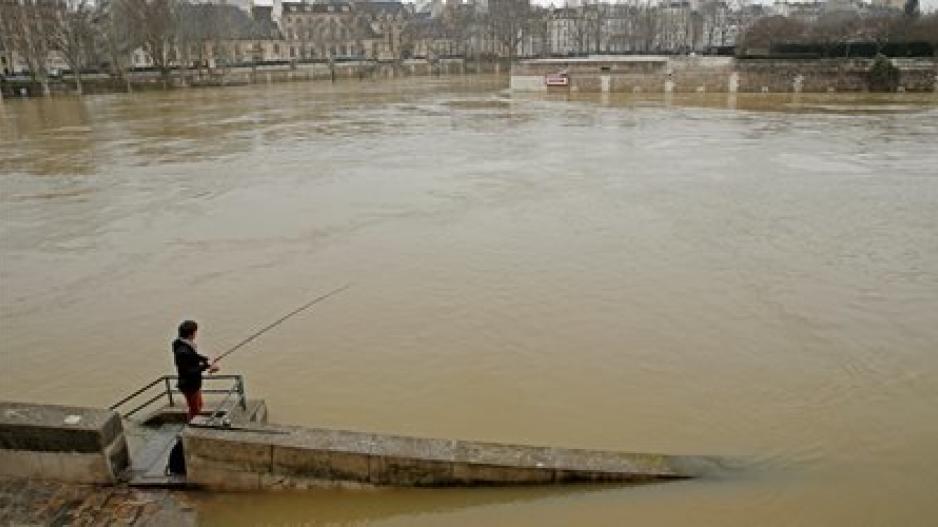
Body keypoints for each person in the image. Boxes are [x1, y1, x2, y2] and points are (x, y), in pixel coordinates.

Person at [172, 320, 219, 422]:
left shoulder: (181, 343)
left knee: (199, 405)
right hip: (189, 385)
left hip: (193, 383)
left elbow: (193, 356)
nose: (196, 334)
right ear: (190, 334)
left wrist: (206, 359)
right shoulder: (182, 352)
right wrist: (207, 365)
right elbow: (189, 371)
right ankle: (192, 426)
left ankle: (193, 423)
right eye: (195, 332)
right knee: (195, 409)